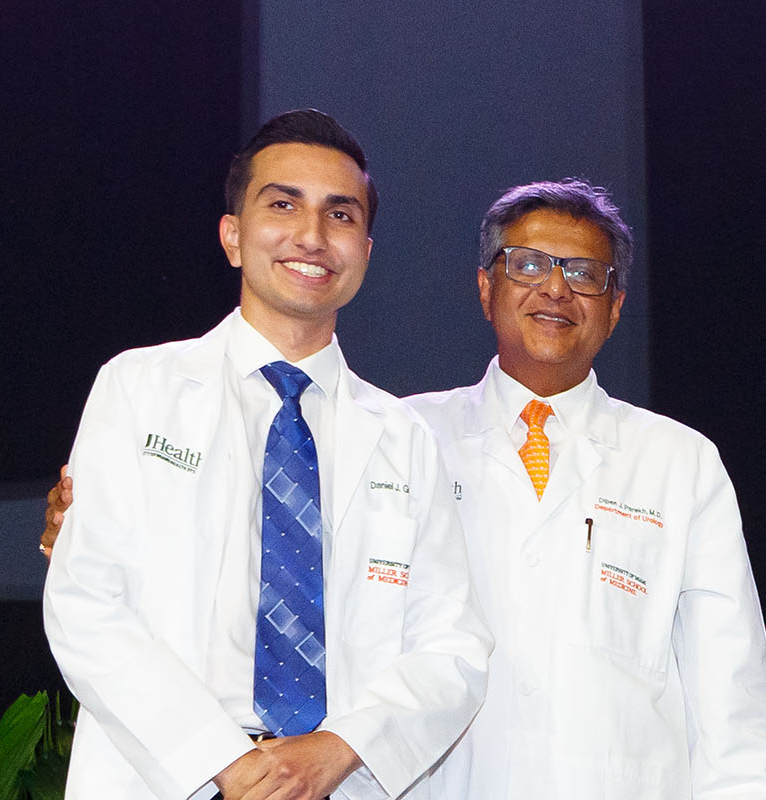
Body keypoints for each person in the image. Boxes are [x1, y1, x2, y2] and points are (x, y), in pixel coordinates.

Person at [42, 179, 766, 797]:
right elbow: (249, 537)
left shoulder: (682, 463)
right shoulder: (399, 436)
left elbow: (736, 706)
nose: (555, 288)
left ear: (615, 305)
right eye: (527, 265)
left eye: (584, 273)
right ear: (486, 288)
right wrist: (84, 525)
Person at [43, 109, 491, 800]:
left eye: (340, 216)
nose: (311, 236)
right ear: (232, 236)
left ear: (365, 252)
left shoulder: (404, 438)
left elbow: (452, 648)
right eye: (283, 204)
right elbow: (86, 603)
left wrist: (336, 751)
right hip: (171, 777)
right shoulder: (139, 388)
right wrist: (229, 761)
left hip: (339, 782)